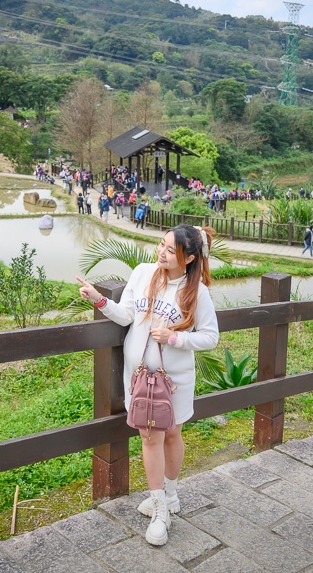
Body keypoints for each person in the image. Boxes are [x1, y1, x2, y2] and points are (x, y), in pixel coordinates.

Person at [76, 225, 219, 547]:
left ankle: (171, 494)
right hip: (138, 378)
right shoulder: (142, 273)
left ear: (190, 257)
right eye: (161, 245)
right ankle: (159, 509)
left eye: (170, 250)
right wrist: (99, 301)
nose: (161, 253)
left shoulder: (197, 292)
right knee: (149, 436)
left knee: (172, 433)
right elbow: (127, 316)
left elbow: (210, 337)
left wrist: (175, 337)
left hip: (176, 381)